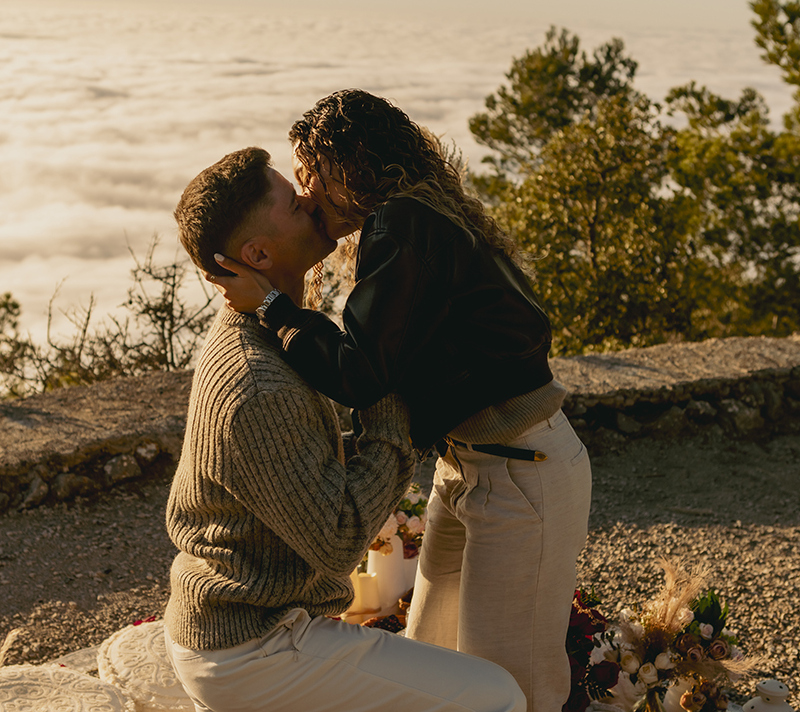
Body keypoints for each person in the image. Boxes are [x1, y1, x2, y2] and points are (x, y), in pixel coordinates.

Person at [211, 90, 592, 712]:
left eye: (310, 170)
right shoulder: (419, 215)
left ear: (347, 166)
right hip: (474, 467)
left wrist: (274, 308)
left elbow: (360, 373)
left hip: (522, 470)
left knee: (515, 687)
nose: (306, 192)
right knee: (431, 662)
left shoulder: (404, 224)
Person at [165, 145, 525, 712]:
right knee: (497, 697)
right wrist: (386, 390)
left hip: (244, 625)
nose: (311, 198)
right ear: (258, 252)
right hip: (252, 647)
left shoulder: (271, 330)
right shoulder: (256, 383)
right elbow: (338, 541)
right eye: (291, 200)